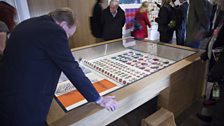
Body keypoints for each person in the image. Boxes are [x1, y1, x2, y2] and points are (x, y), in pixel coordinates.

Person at [0, 8, 117, 126]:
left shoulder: (27, 23)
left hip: (7, 95)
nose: (66, 39)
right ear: (63, 24)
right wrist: (99, 99)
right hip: (24, 105)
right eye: (68, 35)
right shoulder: (54, 31)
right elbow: (72, 69)